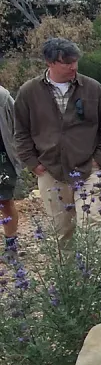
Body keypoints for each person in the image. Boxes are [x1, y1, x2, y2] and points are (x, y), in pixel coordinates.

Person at [12, 37, 101, 241]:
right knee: (61, 231)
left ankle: (99, 273)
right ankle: (68, 273)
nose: (73, 66)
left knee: (93, 225)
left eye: (75, 60)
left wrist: (99, 158)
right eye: (67, 62)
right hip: (51, 171)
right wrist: (34, 165)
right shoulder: (28, 92)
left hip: (88, 169)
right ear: (50, 62)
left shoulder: (93, 88)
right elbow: (21, 132)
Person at [0, 82, 18, 258]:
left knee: (5, 201)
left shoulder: (2, 96)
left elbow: (17, 124)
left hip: (2, 157)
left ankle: (11, 246)